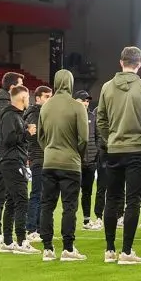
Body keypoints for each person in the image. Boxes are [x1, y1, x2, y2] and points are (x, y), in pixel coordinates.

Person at [97, 46, 141, 265]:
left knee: (111, 199)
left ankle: (110, 250)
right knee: (133, 201)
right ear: (139, 64)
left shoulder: (106, 87)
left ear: (121, 62)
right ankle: (126, 251)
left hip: (114, 150)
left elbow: (100, 119)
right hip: (138, 149)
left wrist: (111, 138)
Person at [38, 69, 89, 262]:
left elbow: (41, 138)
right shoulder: (77, 107)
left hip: (49, 162)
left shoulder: (45, 107)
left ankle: (47, 249)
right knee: (69, 207)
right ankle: (68, 248)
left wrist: (50, 151)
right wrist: (78, 156)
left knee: (47, 206)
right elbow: (83, 138)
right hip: (70, 164)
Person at [0, 71, 24, 250]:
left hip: (2, 155)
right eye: (20, 84)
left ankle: (2, 236)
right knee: (0, 195)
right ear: (12, 87)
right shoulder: (3, 105)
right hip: (2, 155)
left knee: (5, 196)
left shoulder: (0, 104)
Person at [0, 84, 38, 254]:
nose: (28, 100)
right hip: (14, 162)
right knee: (22, 201)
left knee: (12, 202)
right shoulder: (11, 116)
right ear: (22, 98)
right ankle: (21, 242)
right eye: (27, 97)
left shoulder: (14, 116)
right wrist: (27, 133)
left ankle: (8, 241)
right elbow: (9, 139)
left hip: (11, 162)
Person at [23, 85, 52, 241]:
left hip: (44, 158)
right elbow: (34, 136)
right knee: (37, 194)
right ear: (38, 98)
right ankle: (31, 229)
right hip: (39, 157)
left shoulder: (42, 113)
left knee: (43, 194)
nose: (49, 99)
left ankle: (39, 228)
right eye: (46, 96)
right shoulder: (35, 114)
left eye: (50, 96)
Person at [76, 90, 103, 232]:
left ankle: (86, 220)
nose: (86, 103)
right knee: (72, 194)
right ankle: (70, 221)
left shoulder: (92, 116)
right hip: (75, 162)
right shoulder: (71, 116)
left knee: (87, 192)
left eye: (87, 100)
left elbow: (98, 137)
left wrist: (95, 153)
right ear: (76, 101)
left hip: (90, 162)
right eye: (83, 100)